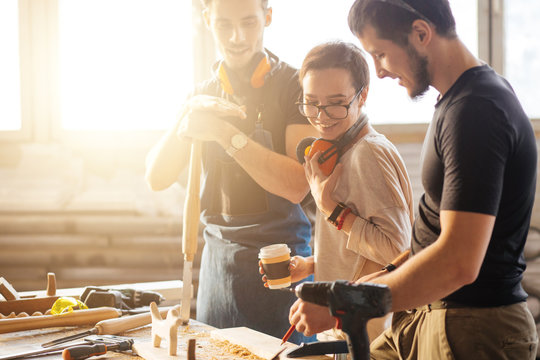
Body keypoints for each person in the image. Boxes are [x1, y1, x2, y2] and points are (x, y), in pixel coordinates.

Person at [288, 0, 539, 358]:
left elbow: (458, 261)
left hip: (473, 327)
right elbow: (427, 244)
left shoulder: (477, 110)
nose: (379, 72)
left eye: (381, 55)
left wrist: (345, 305)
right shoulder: (458, 103)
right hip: (432, 317)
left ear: (421, 33)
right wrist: (341, 295)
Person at [145, 0, 316, 344]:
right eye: (224, 25)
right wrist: (188, 116)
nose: (237, 37)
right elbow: (157, 177)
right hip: (217, 274)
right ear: (207, 20)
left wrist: (226, 134)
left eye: (248, 23)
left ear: (268, 17)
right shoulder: (201, 95)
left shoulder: (294, 87)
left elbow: (298, 185)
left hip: (281, 270)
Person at [259, 41, 413, 342]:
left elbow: (398, 251)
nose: (321, 115)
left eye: (336, 102)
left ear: (362, 96)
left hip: (369, 339)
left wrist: (333, 211)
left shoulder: (368, 154)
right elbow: (365, 245)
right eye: (311, 102)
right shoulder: (343, 148)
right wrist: (314, 264)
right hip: (347, 334)